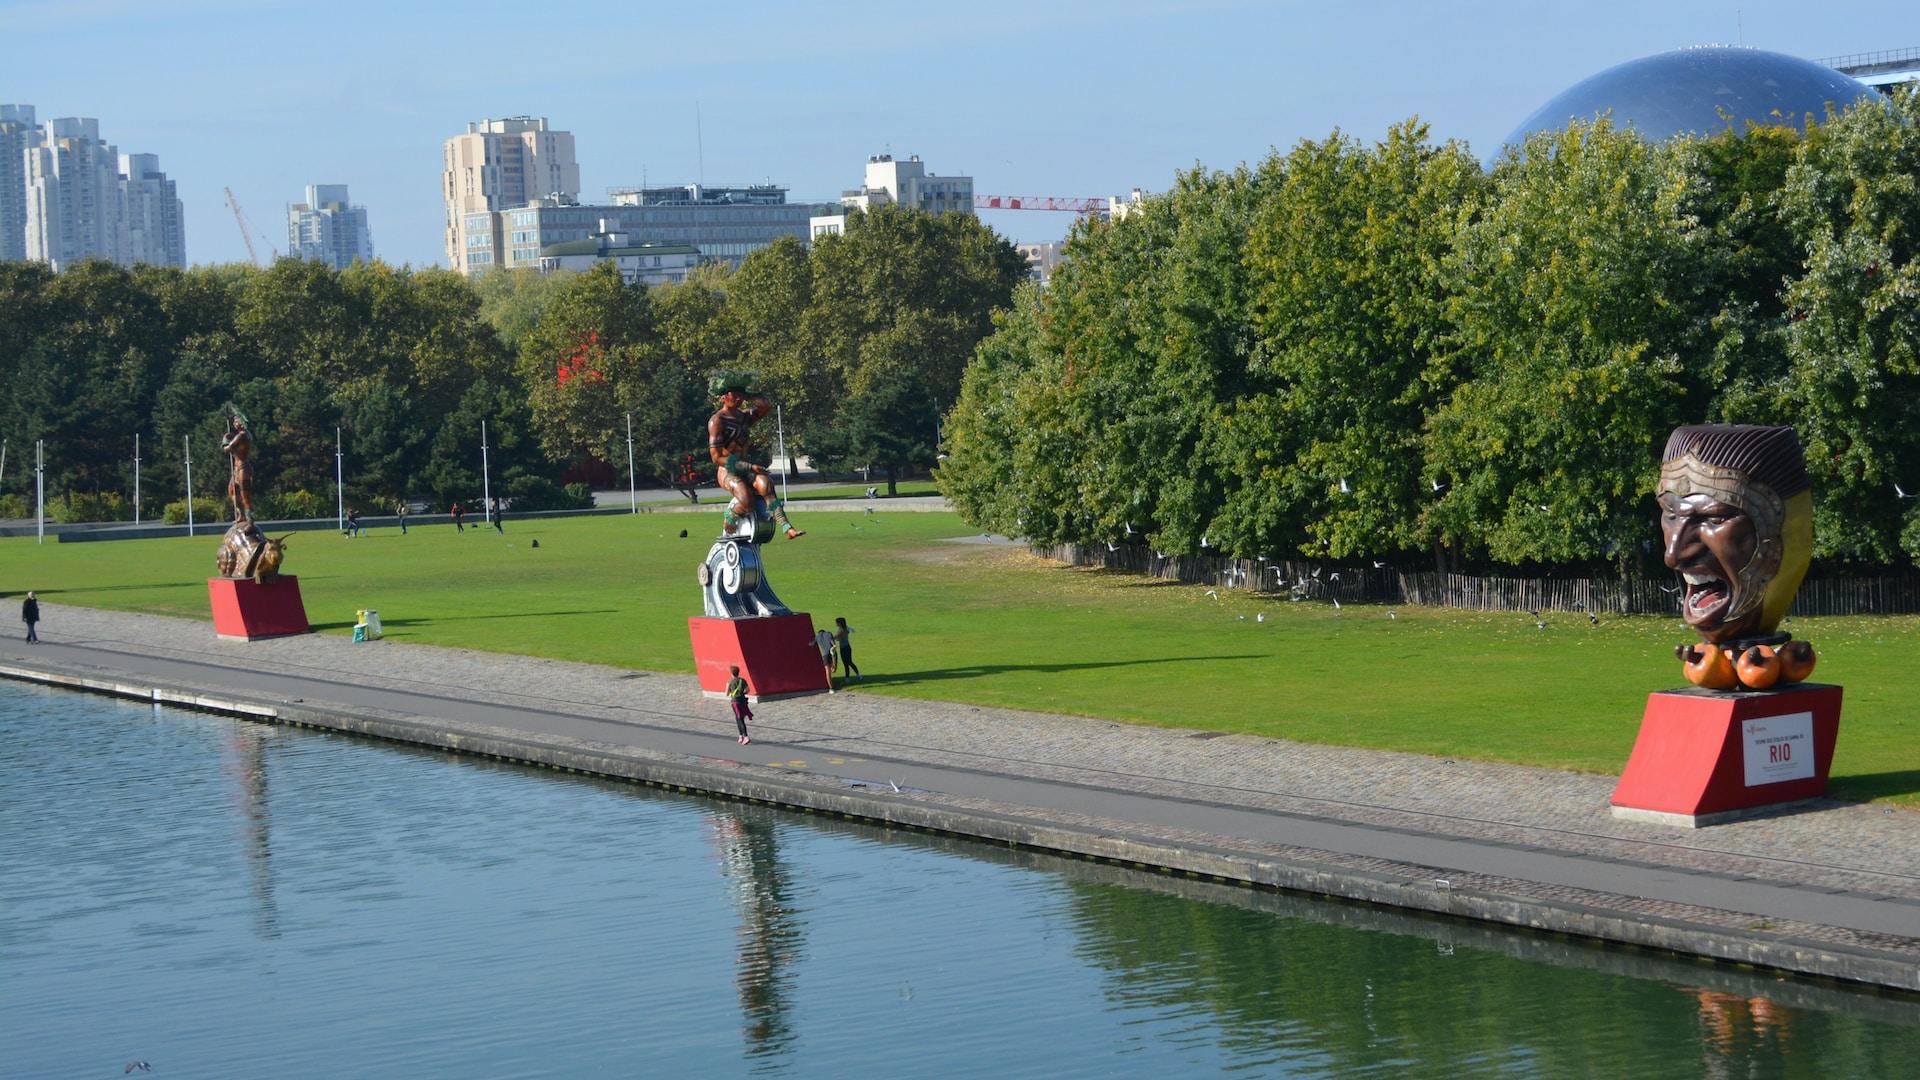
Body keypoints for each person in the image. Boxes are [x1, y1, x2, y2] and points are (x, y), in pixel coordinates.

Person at [707, 372, 803, 540]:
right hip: (728, 470)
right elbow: (717, 457)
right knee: (747, 501)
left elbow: (765, 406)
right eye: (734, 395)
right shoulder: (717, 421)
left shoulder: (743, 417)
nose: (738, 398)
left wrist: (750, 394)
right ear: (723, 397)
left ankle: (786, 527)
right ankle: (730, 517)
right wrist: (749, 467)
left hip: (746, 468)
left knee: (766, 484)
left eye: (740, 395)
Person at [221, 411, 254, 522]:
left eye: (236, 421)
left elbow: (228, 448)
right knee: (232, 490)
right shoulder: (241, 435)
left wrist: (225, 438)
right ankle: (241, 515)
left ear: (241, 422)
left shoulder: (243, 435)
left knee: (245, 497)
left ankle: (250, 520)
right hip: (237, 469)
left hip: (243, 469)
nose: (234, 423)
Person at [725, 665, 753, 745]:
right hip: (743, 701)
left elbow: (726, 693)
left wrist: (732, 692)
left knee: (739, 719)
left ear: (731, 673)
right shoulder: (742, 680)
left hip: (735, 702)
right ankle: (740, 736)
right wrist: (741, 693)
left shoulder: (729, 682)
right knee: (739, 718)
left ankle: (746, 737)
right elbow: (747, 690)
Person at [833, 617, 861, 682]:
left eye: (836, 622)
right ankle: (849, 678)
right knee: (847, 663)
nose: (836, 623)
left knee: (848, 662)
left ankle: (856, 676)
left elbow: (835, 637)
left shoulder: (841, 630)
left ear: (839, 623)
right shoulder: (843, 628)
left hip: (845, 648)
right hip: (846, 647)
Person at [815, 627, 837, 691]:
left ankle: (831, 688)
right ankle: (834, 665)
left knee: (828, 672)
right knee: (833, 670)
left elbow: (811, 644)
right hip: (832, 653)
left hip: (825, 655)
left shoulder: (817, 637)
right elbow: (833, 643)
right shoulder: (829, 633)